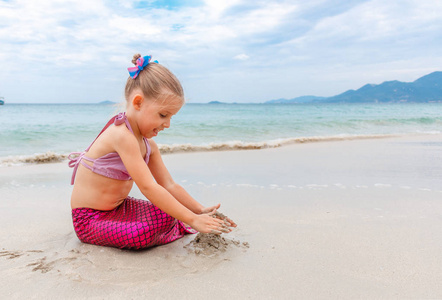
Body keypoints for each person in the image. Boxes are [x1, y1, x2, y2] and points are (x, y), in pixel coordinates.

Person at [68, 53, 236, 250]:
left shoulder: (148, 145)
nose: (167, 124)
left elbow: (168, 185)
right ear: (138, 103)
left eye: (171, 117)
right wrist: (191, 219)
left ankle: (176, 223)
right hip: (89, 219)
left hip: (120, 208)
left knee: (169, 213)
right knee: (141, 234)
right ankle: (171, 226)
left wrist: (198, 210)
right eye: (163, 115)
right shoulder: (122, 136)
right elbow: (149, 187)